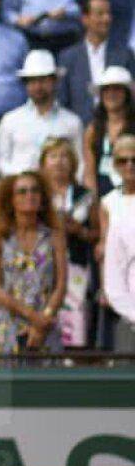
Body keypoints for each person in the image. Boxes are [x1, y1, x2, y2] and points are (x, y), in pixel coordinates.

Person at [0, 171, 68, 353]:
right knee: (4, 379)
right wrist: (31, 316)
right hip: (8, 323)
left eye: (34, 190)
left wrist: (43, 320)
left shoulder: (54, 233)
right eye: (22, 191)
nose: (30, 195)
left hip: (46, 325)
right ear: (11, 199)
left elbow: (61, 284)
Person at [41, 136, 98, 348]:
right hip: (44, 267)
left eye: (65, 156)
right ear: (43, 162)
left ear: (73, 163)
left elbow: (96, 234)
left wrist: (78, 230)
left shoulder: (85, 195)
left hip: (76, 268)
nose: (59, 161)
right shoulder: (37, 194)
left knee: (76, 322)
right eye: (53, 156)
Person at [0, 49, 84, 176]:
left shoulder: (71, 122)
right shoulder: (10, 120)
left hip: (59, 191)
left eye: (43, 80)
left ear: (54, 81)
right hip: (21, 190)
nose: (38, 86)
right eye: (32, 81)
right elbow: (1, 160)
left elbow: (79, 162)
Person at [56, 0, 135, 127]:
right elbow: (63, 100)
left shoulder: (125, 55)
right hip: (79, 132)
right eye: (100, 14)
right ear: (85, 19)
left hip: (117, 132)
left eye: (108, 13)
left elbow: (131, 98)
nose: (106, 19)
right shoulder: (68, 57)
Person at [97, 133, 135, 348]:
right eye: (123, 160)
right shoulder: (108, 202)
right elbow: (105, 248)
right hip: (124, 288)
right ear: (115, 165)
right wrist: (106, 288)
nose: (129, 165)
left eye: (134, 159)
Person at [83, 66, 135, 198]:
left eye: (117, 89)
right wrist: (93, 201)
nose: (111, 94)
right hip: (102, 195)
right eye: (106, 90)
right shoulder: (93, 130)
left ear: (126, 94)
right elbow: (89, 172)